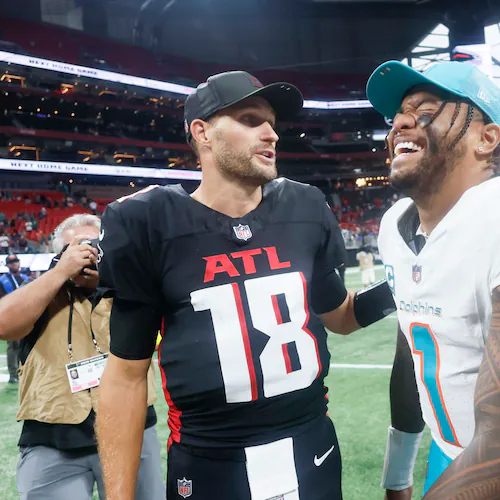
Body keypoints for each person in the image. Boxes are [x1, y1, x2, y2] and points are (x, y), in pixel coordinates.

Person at [96, 71, 396, 500]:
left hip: (311, 447)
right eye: (251, 119)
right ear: (202, 132)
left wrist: (402, 286)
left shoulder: (305, 205)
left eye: (272, 122)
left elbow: (342, 316)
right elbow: (125, 376)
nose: (270, 133)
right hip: (211, 461)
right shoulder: (147, 221)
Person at [366, 60, 500, 499]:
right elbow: (413, 344)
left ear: (487, 137)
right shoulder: (396, 225)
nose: (401, 122)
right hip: (453, 451)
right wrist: (397, 474)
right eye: (398, 114)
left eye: (426, 108)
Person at [0, 214, 165, 500]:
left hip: (132, 432)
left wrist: (112, 279)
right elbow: (4, 324)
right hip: (53, 440)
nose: (86, 253)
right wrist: (59, 273)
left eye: (95, 246)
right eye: (75, 248)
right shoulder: (41, 294)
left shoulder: (130, 289)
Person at [0, 254, 28, 383]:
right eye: (11, 262)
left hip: (26, 314)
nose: (14, 264)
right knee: (13, 345)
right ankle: (13, 374)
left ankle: (23, 371)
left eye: (16, 261)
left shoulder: (25, 278)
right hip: (11, 314)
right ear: (7, 265)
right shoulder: (2, 280)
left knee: (25, 344)